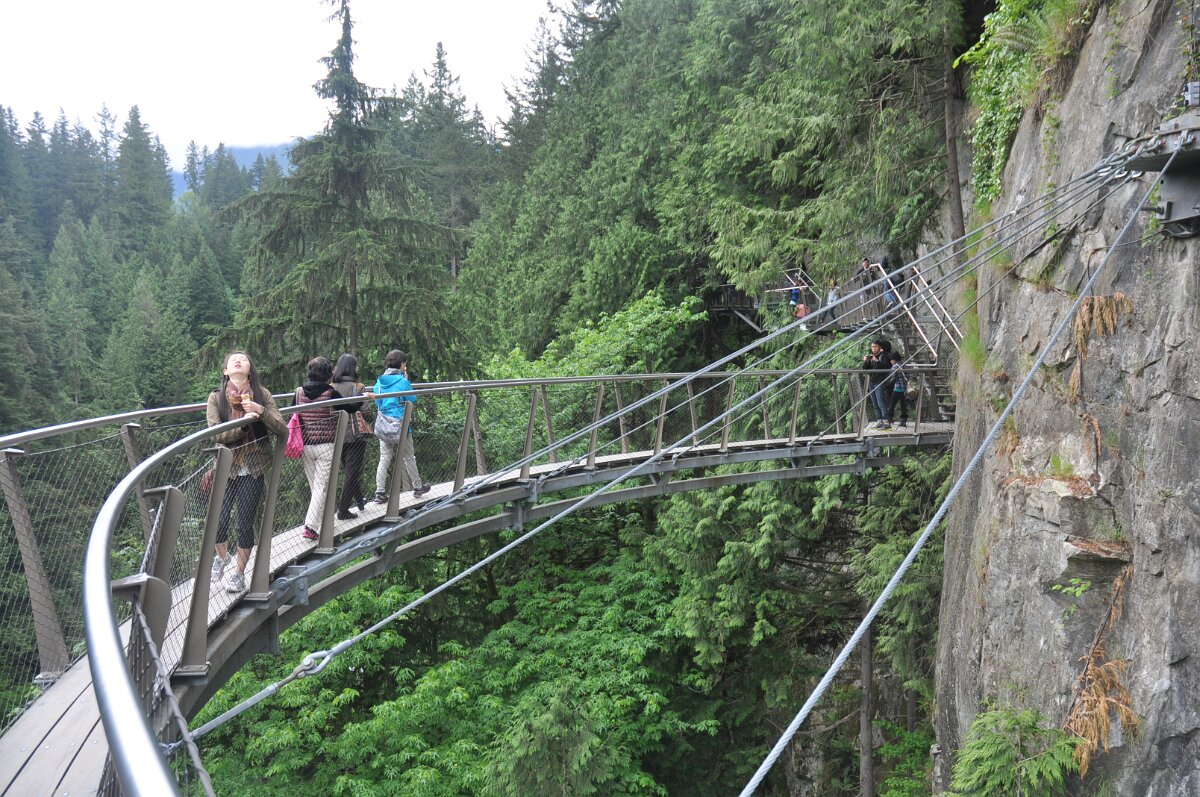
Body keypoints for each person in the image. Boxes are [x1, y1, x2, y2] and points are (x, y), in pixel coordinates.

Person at [206, 351, 287, 592]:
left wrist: (260, 411)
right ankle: (222, 557)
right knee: (217, 521)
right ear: (226, 371)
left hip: (254, 467)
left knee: (244, 524)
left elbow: (282, 428)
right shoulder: (216, 398)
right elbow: (215, 433)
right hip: (226, 467)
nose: (238, 361)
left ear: (250, 369)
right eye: (233, 360)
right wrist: (243, 425)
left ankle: (239, 574)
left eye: (243, 359)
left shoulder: (262, 395)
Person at [369, 349, 430, 503]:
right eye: (404, 363)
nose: (405, 365)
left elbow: (377, 402)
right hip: (400, 425)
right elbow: (412, 400)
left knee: (384, 458)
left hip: (384, 424)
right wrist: (406, 381)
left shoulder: (379, 382)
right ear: (401, 364)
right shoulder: (402, 382)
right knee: (409, 457)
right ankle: (417, 487)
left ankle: (379, 492)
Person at [295, 357, 338, 541]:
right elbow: (352, 406)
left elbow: (292, 412)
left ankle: (323, 520)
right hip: (327, 444)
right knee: (320, 486)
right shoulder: (331, 392)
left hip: (305, 445)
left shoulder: (298, 392)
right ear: (328, 374)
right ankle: (311, 527)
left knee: (316, 487)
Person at [331, 354, 371, 521]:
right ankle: (343, 510)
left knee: (349, 470)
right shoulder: (358, 387)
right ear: (353, 368)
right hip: (355, 435)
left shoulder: (330, 387)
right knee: (352, 472)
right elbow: (367, 413)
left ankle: (360, 500)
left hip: (335, 435)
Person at [862, 339, 891, 430]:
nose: (873, 348)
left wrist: (877, 361)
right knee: (875, 403)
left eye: (875, 347)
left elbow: (886, 368)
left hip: (880, 381)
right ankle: (879, 421)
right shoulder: (871, 357)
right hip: (871, 382)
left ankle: (886, 422)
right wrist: (865, 361)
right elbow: (865, 369)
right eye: (872, 347)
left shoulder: (883, 356)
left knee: (880, 401)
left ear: (880, 347)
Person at [886, 352, 909, 428]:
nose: (890, 361)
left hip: (898, 388)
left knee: (892, 404)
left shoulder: (895, 366)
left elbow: (893, 378)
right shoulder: (904, 365)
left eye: (891, 360)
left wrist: (887, 385)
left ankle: (889, 420)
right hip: (905, 389)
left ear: (895, 360)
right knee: (903, 405)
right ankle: (904, 420)